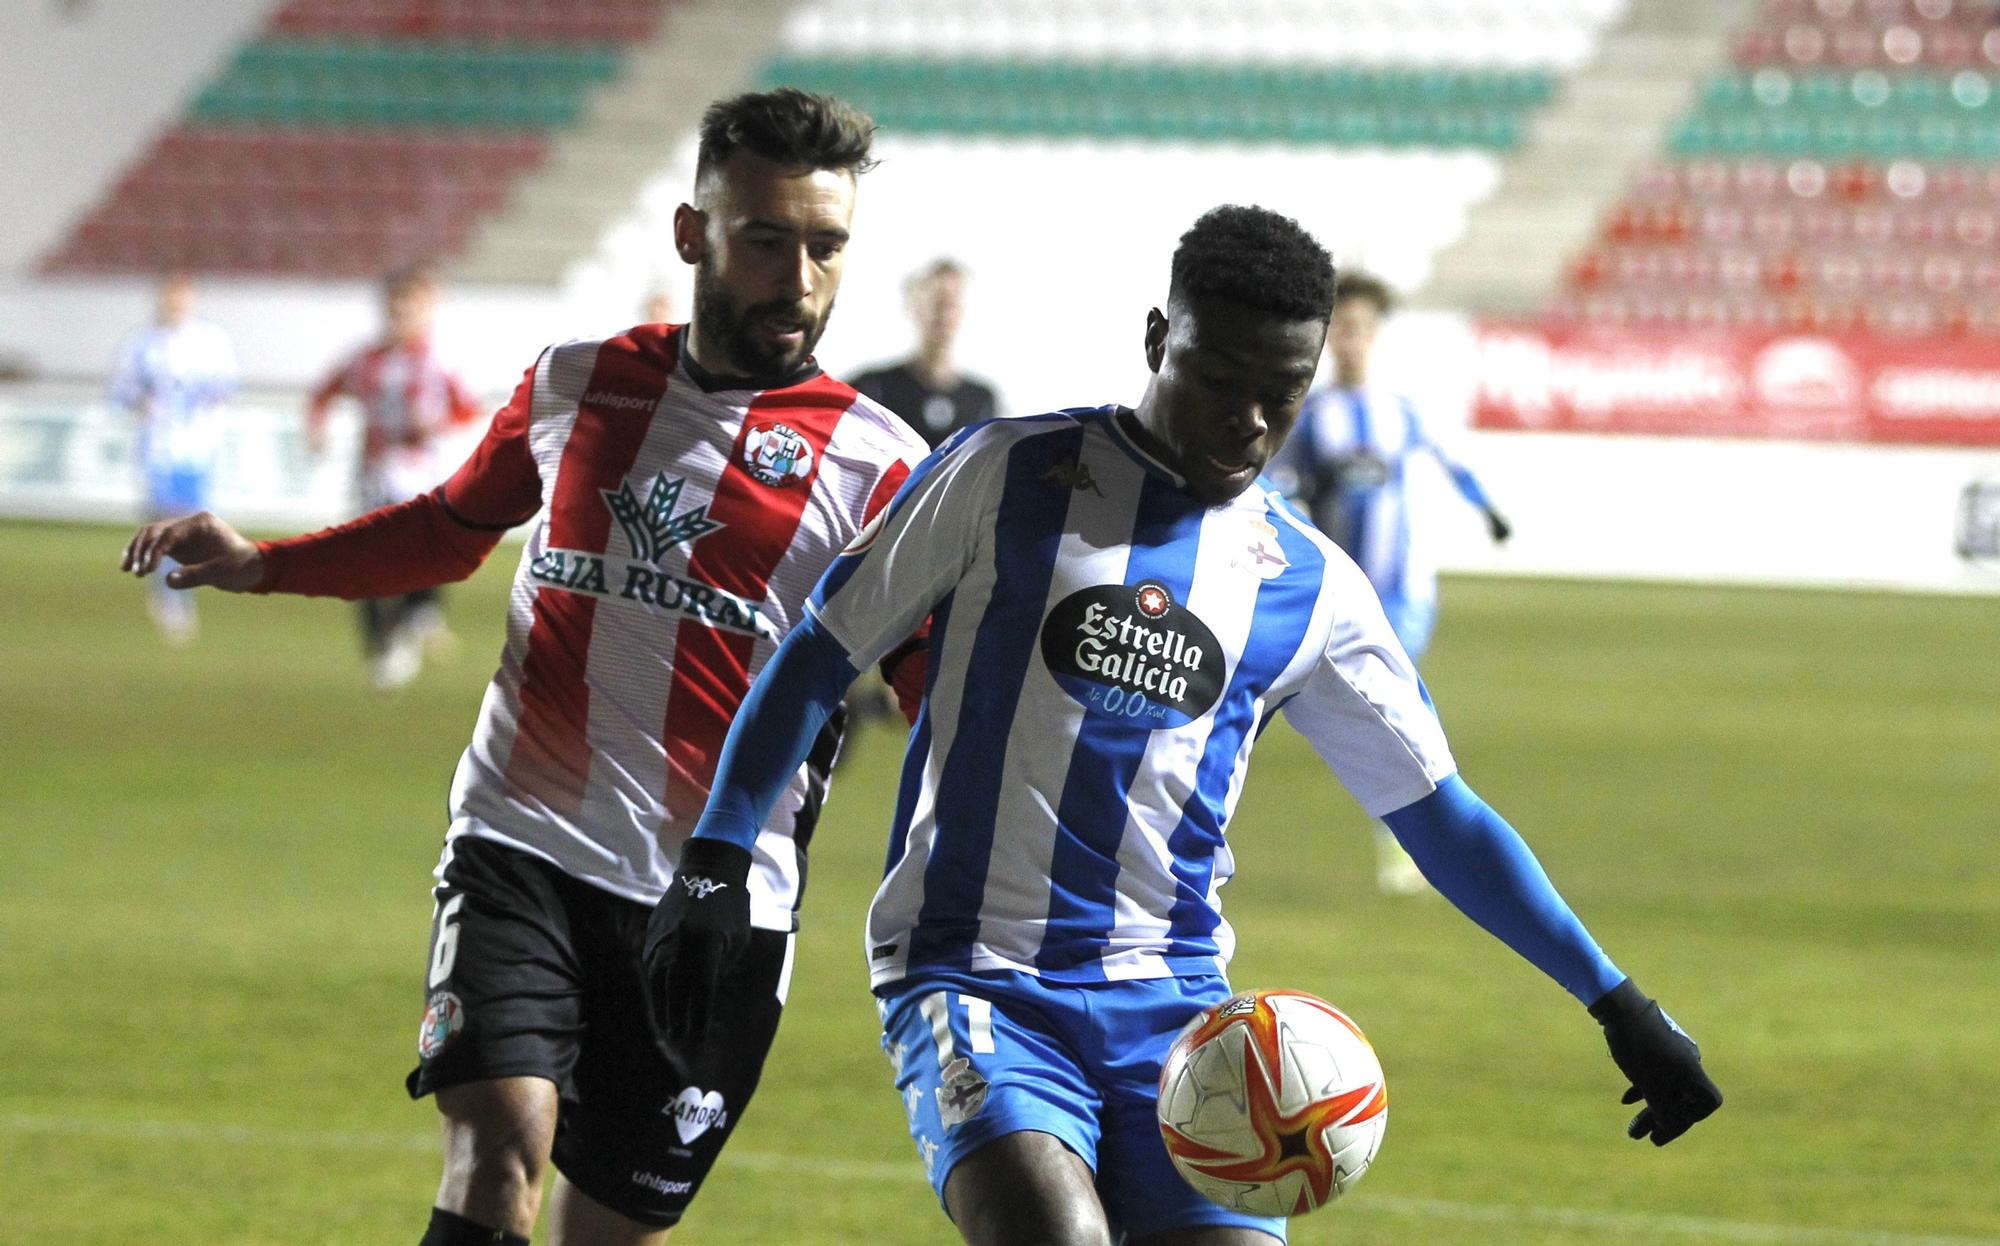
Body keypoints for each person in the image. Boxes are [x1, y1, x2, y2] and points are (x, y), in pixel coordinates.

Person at [645, 206, 1723, 1246]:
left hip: (1180, 1014)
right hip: (973, 978)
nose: (1248, 419)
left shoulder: (1309, 586)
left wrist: (1615, 1000)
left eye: (1281, 391)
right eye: (1219, 378)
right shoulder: (1002, 473)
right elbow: (820, 652)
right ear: (1159, 337)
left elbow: (1436, 813)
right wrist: (715, 855)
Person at [120, 88, 931, 1246]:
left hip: (712, 901)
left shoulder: (880, 466)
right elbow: (450, 528)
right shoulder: (576, 383)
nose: (798, 278)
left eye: (826, 245)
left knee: (606, 1231)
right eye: (765, 240)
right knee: (498, 1154)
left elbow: (933, 689)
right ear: (691, 235)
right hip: (519, 846)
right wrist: (263, 567)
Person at [1270, 271, 1512, 895]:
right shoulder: (1310, 416)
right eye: (1342, 330)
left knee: (1398, 710)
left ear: (1376, 335)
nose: (1353, 341)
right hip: (1340, 594)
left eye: (1362, 329)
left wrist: (1489, 512)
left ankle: (1407, 842)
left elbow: (1453, 466)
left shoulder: (1400, 410)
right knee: (1345, 709)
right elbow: (1278, 486)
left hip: (1404, 593)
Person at [306, 265, 485, 688]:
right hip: (374, 474)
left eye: (410, 307)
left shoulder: (440, 360)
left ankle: (418, 617)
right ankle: (385, 644)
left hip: (423, 476)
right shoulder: (365, 360)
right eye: (395, 308)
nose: (401, 316)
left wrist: (435, 425)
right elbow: (324, 392)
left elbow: (470, 408)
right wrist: (317, 426)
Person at [109, 270, 237, 644]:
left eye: (183, 295)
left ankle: (172, 588)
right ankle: (170, 595)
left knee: (192, 524)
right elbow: (122, 389)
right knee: (169, 517)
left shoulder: (212, 341)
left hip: (199, 445)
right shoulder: (142, 343)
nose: (176, 302)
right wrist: (143, 403)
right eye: (170, 295)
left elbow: (226, 387)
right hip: (159, 445)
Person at [851, 257, 1002, 449]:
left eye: (952, 305)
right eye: (936, 304)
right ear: (913, 306)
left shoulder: (981, 399)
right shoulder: (872, 388)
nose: (943, 316)